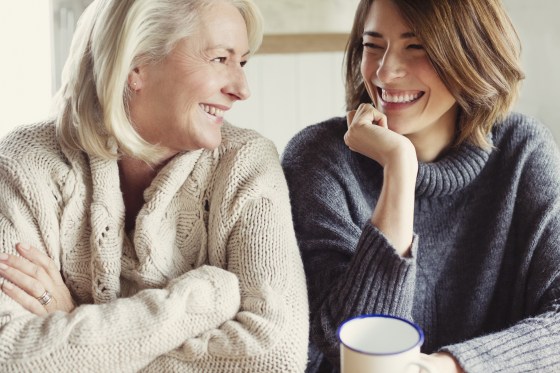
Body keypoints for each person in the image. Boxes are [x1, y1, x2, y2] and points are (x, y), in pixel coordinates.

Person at [0, 0, 308, 371]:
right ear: (137, 64)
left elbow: (275, 356)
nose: (242, 89)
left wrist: (72, 323)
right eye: (219, 59)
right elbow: (8, 353)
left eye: (242, 62)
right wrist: (204, 299)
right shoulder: (26, 162)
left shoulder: (246, 162)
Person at [281, 0, 560, 372]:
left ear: (470, 54)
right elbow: (343, 345)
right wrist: (398, 170)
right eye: (372, 45)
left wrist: (447, 367)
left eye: (417, 47)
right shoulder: (318, 157)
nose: (385, 71)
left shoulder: (522, 151)